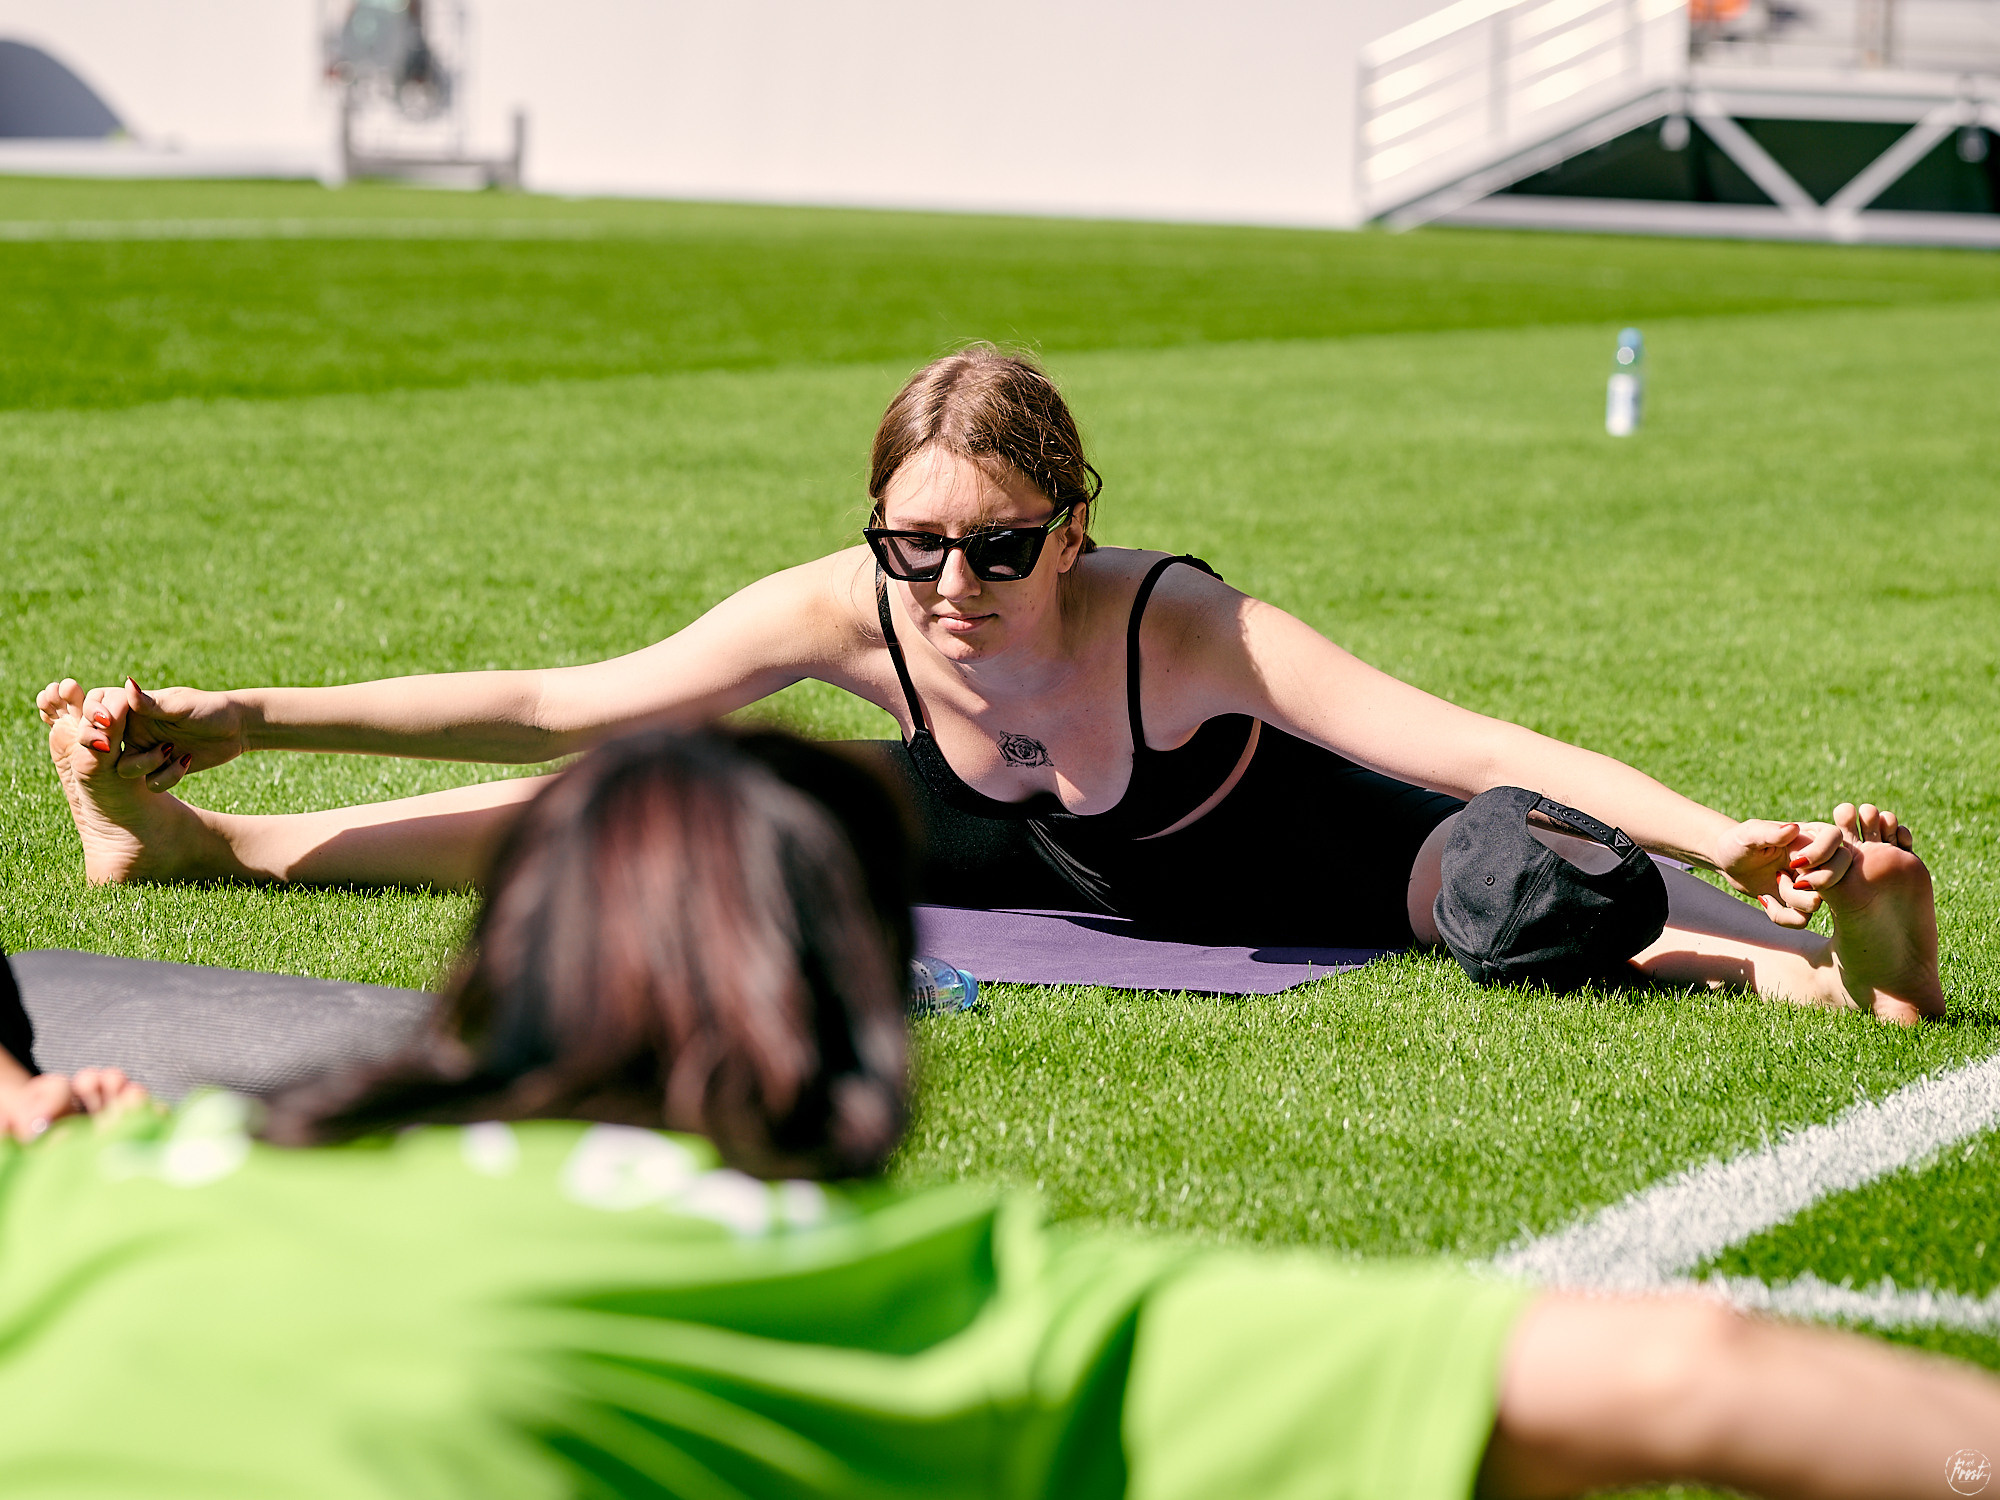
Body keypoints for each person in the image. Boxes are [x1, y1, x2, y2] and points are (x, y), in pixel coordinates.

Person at [4, 722, 1993, 1499]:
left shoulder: (144, 1180)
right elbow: (1690, 1373)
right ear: (858, 1020)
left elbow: (1431, 731)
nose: (952, 581)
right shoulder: (909, 1298)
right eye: (919, 548)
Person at [38, 345, 1942, 1022]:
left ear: (1074, 521)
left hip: (1304, 865)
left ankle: (1856, 950)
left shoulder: (1176, 627)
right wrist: (242, 714)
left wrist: (1731, 841)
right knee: (653, 807)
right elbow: (568, 700)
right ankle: (201, 846)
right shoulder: (853, 610)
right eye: (915, 546)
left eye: (999, 544)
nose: (953, 585)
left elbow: (1475, 744)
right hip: (1012, 845)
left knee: (1554, 896)